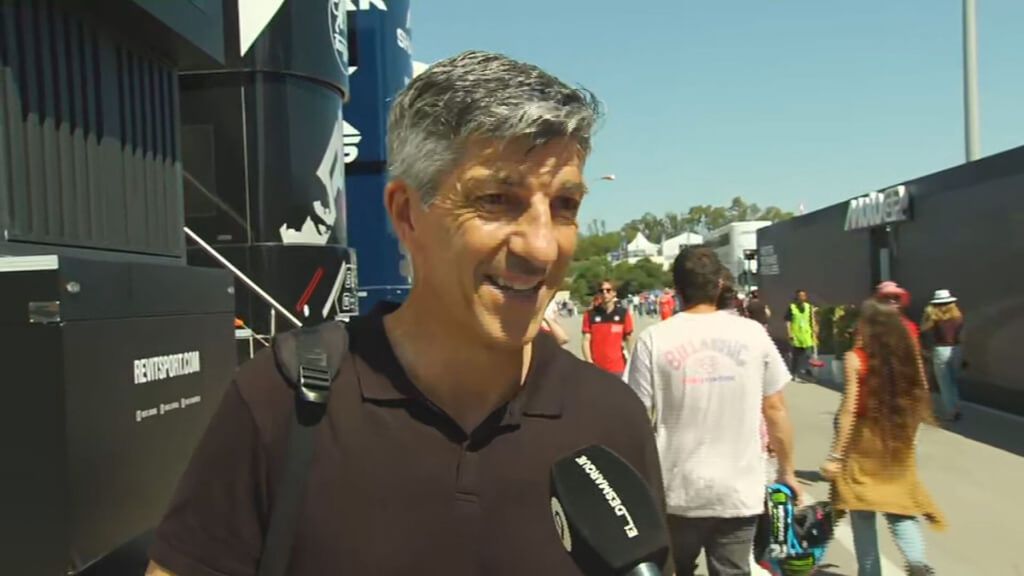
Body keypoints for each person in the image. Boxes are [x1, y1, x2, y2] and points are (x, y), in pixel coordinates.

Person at [145, 51, 669, 576]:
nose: (541, 248)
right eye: (496, 198)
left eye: (565, 207)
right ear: (405, 214)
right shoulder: (281, 403)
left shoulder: (612, 419)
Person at [626, 247, 799, 576]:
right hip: (737, 489)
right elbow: (776, 409)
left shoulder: (654, 339)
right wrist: (787, 471)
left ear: (677, 288)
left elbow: (634, 416)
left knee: (673, 569)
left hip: (676, 488)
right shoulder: (752, 334)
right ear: (719, 284)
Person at [821, 300, 946, 576]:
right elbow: (920, 394)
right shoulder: (908, 356)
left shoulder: (856, 358)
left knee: (861, 511)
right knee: (900, 506)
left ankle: (870, 571)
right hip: (898, 436)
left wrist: (836, 455)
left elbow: (850, 409)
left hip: (863, 441)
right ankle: (916, 563)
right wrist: (911, 437)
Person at [920, 289, 965, 422]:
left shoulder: (935, 319)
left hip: (941, 349)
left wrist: (927, 314)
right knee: (953, 381)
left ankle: (951, 412)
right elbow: (962, 335)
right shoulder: (958, 317)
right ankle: (957, 407)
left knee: (944, 383)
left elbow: (922, 328)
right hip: (956, 349)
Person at [582, 279, 634, 377]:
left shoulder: (623, 314)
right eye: (602, 291)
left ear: (614, 293)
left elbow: (629, 339)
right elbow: (586, 340)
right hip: (597, 367)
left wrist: (632, 359)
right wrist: (588, 361)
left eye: (608, 290)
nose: (605, 293)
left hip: (618, 367)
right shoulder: (590, 315)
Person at [785, 289, 817, 381]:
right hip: (796, 336)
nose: (802, 298)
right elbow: (788, 321)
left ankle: (808, 373)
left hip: (807, 335)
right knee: (796, 356)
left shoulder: (809, 307)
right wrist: (789, 333)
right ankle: (794, 373)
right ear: (797, 297)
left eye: (803, 296)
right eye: (800, 296)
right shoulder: (792, 307)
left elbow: (812, 320)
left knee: (808, 355)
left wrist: (814, 331)